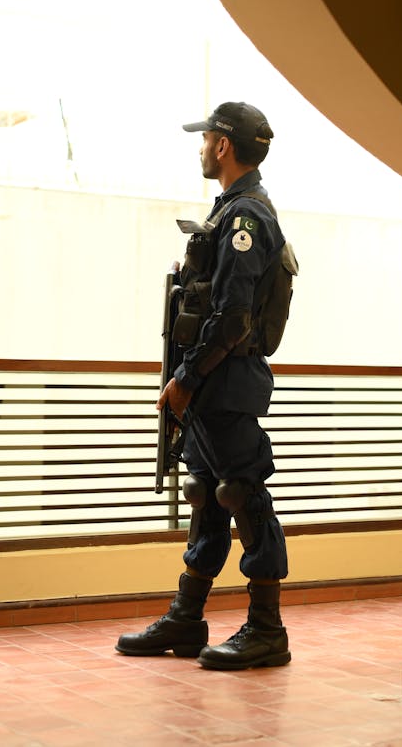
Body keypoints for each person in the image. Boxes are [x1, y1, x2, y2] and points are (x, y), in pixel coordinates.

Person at [116, 101, 290, 670]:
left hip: (224, 381)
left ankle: (267, 629)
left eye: (206, 138)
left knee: (244, 496)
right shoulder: (229, 212)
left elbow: (233, 313)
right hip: (213, 380)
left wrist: (187, 379)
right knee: (208, 499)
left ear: (223, 145)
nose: (200, 147)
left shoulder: (247, 219)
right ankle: (186, 619)